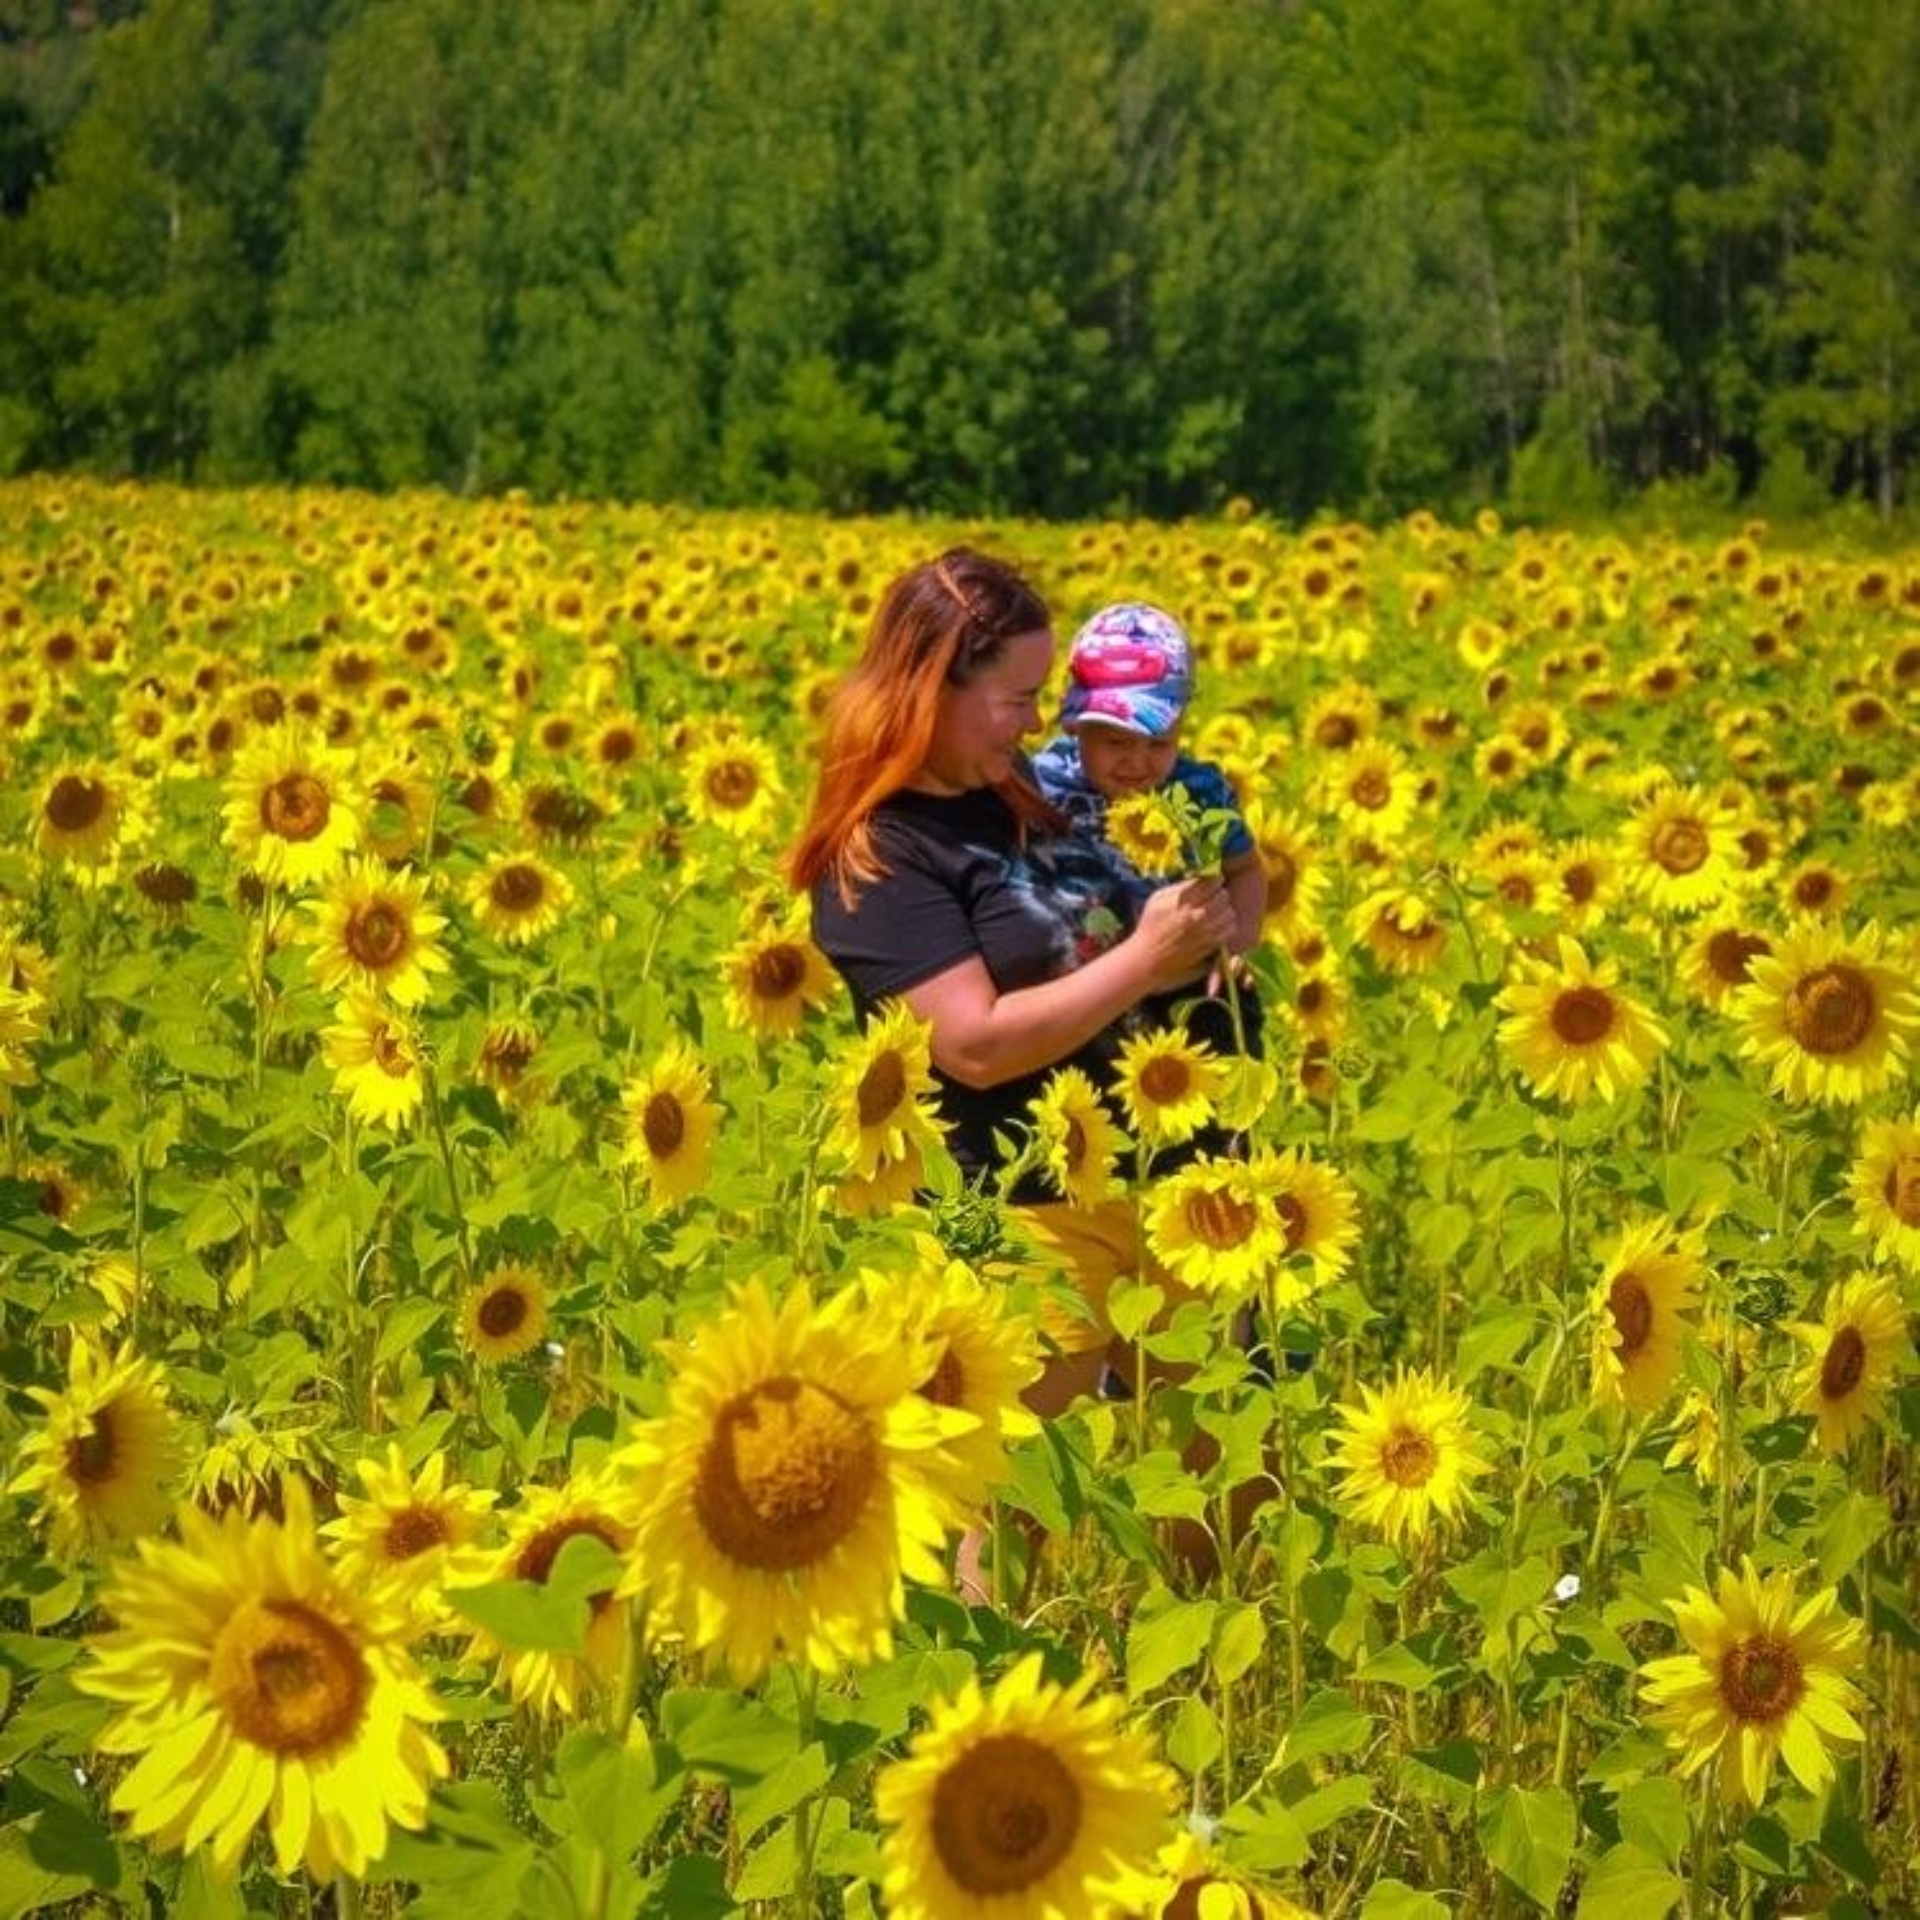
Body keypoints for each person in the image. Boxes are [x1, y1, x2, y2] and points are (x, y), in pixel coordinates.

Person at [787, 547, 1239, 1410]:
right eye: (1020, 698)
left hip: (1180, 1177)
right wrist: (1148, 958)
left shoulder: (1020, 787)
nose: (1035, 726)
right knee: (1009, 1500)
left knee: (1224, 1485)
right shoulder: (882, 855)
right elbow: (975, 1044)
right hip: (1028, 1209)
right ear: (933, 690)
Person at [1030, 601, 1266, 1062]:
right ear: (1077, 726)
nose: (1138, 762)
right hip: (1085, 998)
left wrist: (1239, 946)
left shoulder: (1199, 793)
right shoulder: (1045, 786)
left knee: (1224, 1117)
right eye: (1116, 742)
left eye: (1160, 743)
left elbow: (1247, 871)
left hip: (1193, 988)